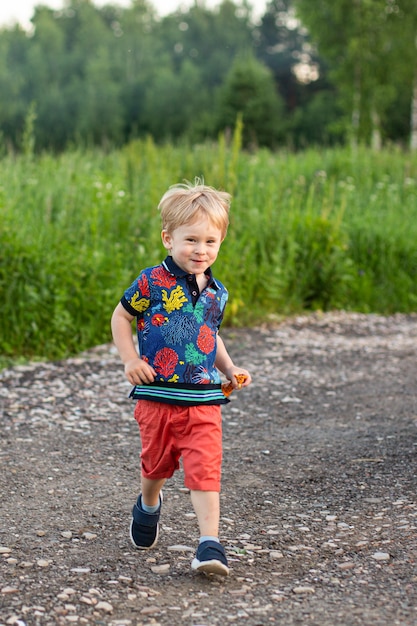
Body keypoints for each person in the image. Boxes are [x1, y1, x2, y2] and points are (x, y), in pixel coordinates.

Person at [111, 179, 251, 576]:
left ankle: (209, 544)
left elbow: (210, 335)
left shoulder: (217, 292)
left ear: (221, 242)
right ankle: (148, 504)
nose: (201, 250)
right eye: (192, 240)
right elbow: (121, 316)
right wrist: (129, 359)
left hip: (204, 397)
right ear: (168, 238)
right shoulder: (151, 281)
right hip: (156, 394)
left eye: (211, 241)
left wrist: (229, 368)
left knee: (205, 467)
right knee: (156, 465)